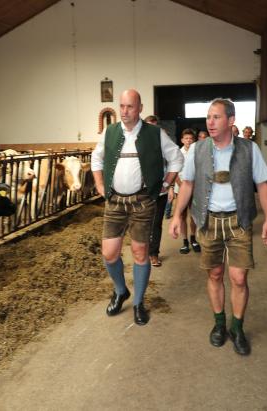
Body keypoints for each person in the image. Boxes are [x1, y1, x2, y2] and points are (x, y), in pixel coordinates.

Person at [169, 98, 267, 355]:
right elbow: (188, 185)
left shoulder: (249, 149)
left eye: (216, 117)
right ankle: (219, 323)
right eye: (208, 117)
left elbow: (262, 184)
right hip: (208, 220)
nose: (210, 122)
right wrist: (176, 215)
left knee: (238, 277)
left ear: (231, 120)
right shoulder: (198, 150)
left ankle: (237, 327)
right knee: (214, 274)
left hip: (239, 220)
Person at [92, 89, 183, 325]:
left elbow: (176, 158)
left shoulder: (155, 133)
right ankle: (121, 290)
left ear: (140, 108)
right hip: (114, 201)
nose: (124, 111)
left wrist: (167, 182)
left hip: (143, 201)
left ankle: (138, 302)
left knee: (140, 253)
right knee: (109, 253)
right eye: (122, 106)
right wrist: (100, 183)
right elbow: (96, 158)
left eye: (130, 107)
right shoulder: (110, 132)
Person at [144, 115, 174, 267]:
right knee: (142, 223)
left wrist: (170, 187)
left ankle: (154, 253)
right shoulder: (138, 144)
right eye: (149, 126)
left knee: (156, 224)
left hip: (161, 191)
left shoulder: (164, 144)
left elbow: (172, 165)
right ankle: (143, 253)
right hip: (142, 192)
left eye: (154, 126)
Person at [174, 129, 200, 254]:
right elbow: (175, 171)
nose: (188, 140)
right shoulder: (178, 153)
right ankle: (185, 242)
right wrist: (182, 185)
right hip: (181, 189)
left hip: (195, 188)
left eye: (191, 138)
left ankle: (193, 239)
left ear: (194, 140)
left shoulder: (197, 152)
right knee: (182, 215)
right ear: (182, 140)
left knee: (194, 215)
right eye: (186, 138)